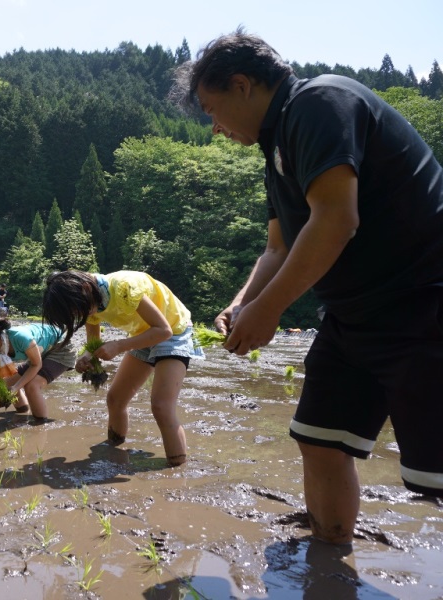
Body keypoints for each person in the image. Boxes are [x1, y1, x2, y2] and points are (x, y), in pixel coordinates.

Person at [170, 29, 443, 544]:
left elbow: (337, 218)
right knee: (320, 440)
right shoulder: (276, 149)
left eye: (212, 110)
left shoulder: (319, 103)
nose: (215, 128)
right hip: (352, 316)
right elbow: (276, 248)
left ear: (242, 85)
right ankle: (330, 557)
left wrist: (269, 310)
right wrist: (243, 303)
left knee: (435, 475)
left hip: (420, 303)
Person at [42, 270, 202, 467]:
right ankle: (113, 450)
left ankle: (177, 469)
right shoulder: (90, 301)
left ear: (85, 289)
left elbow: (164, 331)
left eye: (80, 311)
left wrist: (118, 345)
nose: (82, 315)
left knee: (161, 406)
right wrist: (87, 356)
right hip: (143, 333)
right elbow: (93, 343)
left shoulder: (124, 287)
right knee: (115, 399)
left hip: (174, 331)